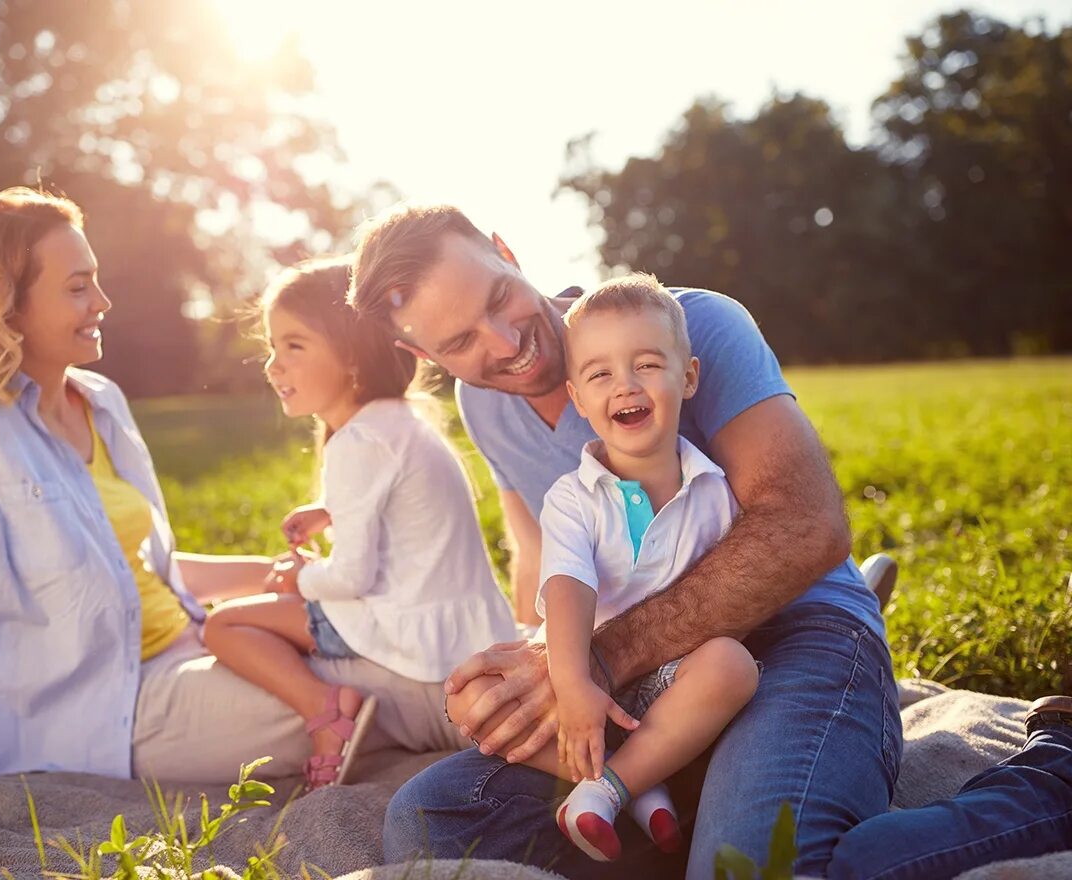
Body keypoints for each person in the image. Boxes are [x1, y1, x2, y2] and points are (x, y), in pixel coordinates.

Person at [348, 203, 1072, 879]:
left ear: (505, 251)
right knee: (436, 818)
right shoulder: (485, 406)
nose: (505, 343)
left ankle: (1055, 779)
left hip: (797, 631)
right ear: (420, 352)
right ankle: (693, 816)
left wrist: (596, 657)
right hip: (647, 686)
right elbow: (540, 563)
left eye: (497, 298)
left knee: (754, 869)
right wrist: (526, 676)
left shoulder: (690, 324)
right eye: (461, 342)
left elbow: (805, 526)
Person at [0, 189, 463, 806]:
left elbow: (140, 571)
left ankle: (541, 704)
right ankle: (543, 741)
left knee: (399, 641)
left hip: (191, 646)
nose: (103, 301)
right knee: (387, 690)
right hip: (107, 715)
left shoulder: (101, 402)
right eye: (79, 287)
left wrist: (278, 578)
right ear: (6, 305)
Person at [448, 276, 760, 862]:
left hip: (672, 681)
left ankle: (607, 789)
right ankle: (640, 784)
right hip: (582, 674)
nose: (625, 385)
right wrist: (572, 685)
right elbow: (567, 588)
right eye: (600, 376)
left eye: (646, 365)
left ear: (687, 377)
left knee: (733, 666)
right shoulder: (574, 497)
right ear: (578, 397)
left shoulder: (715, 490)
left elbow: (733, 598)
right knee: (471, 697)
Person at [201, 258, 516, 790]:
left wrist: (296, 580)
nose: (273, 366)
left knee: (224, 625)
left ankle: (326, 710)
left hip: (410, 633)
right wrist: (328, 509)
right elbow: (396, 503)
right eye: (273, 346)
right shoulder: (400, 422)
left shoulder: (357, 442)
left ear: (350, 356)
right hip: (467, 627)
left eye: (294, 346)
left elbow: (351, 579)